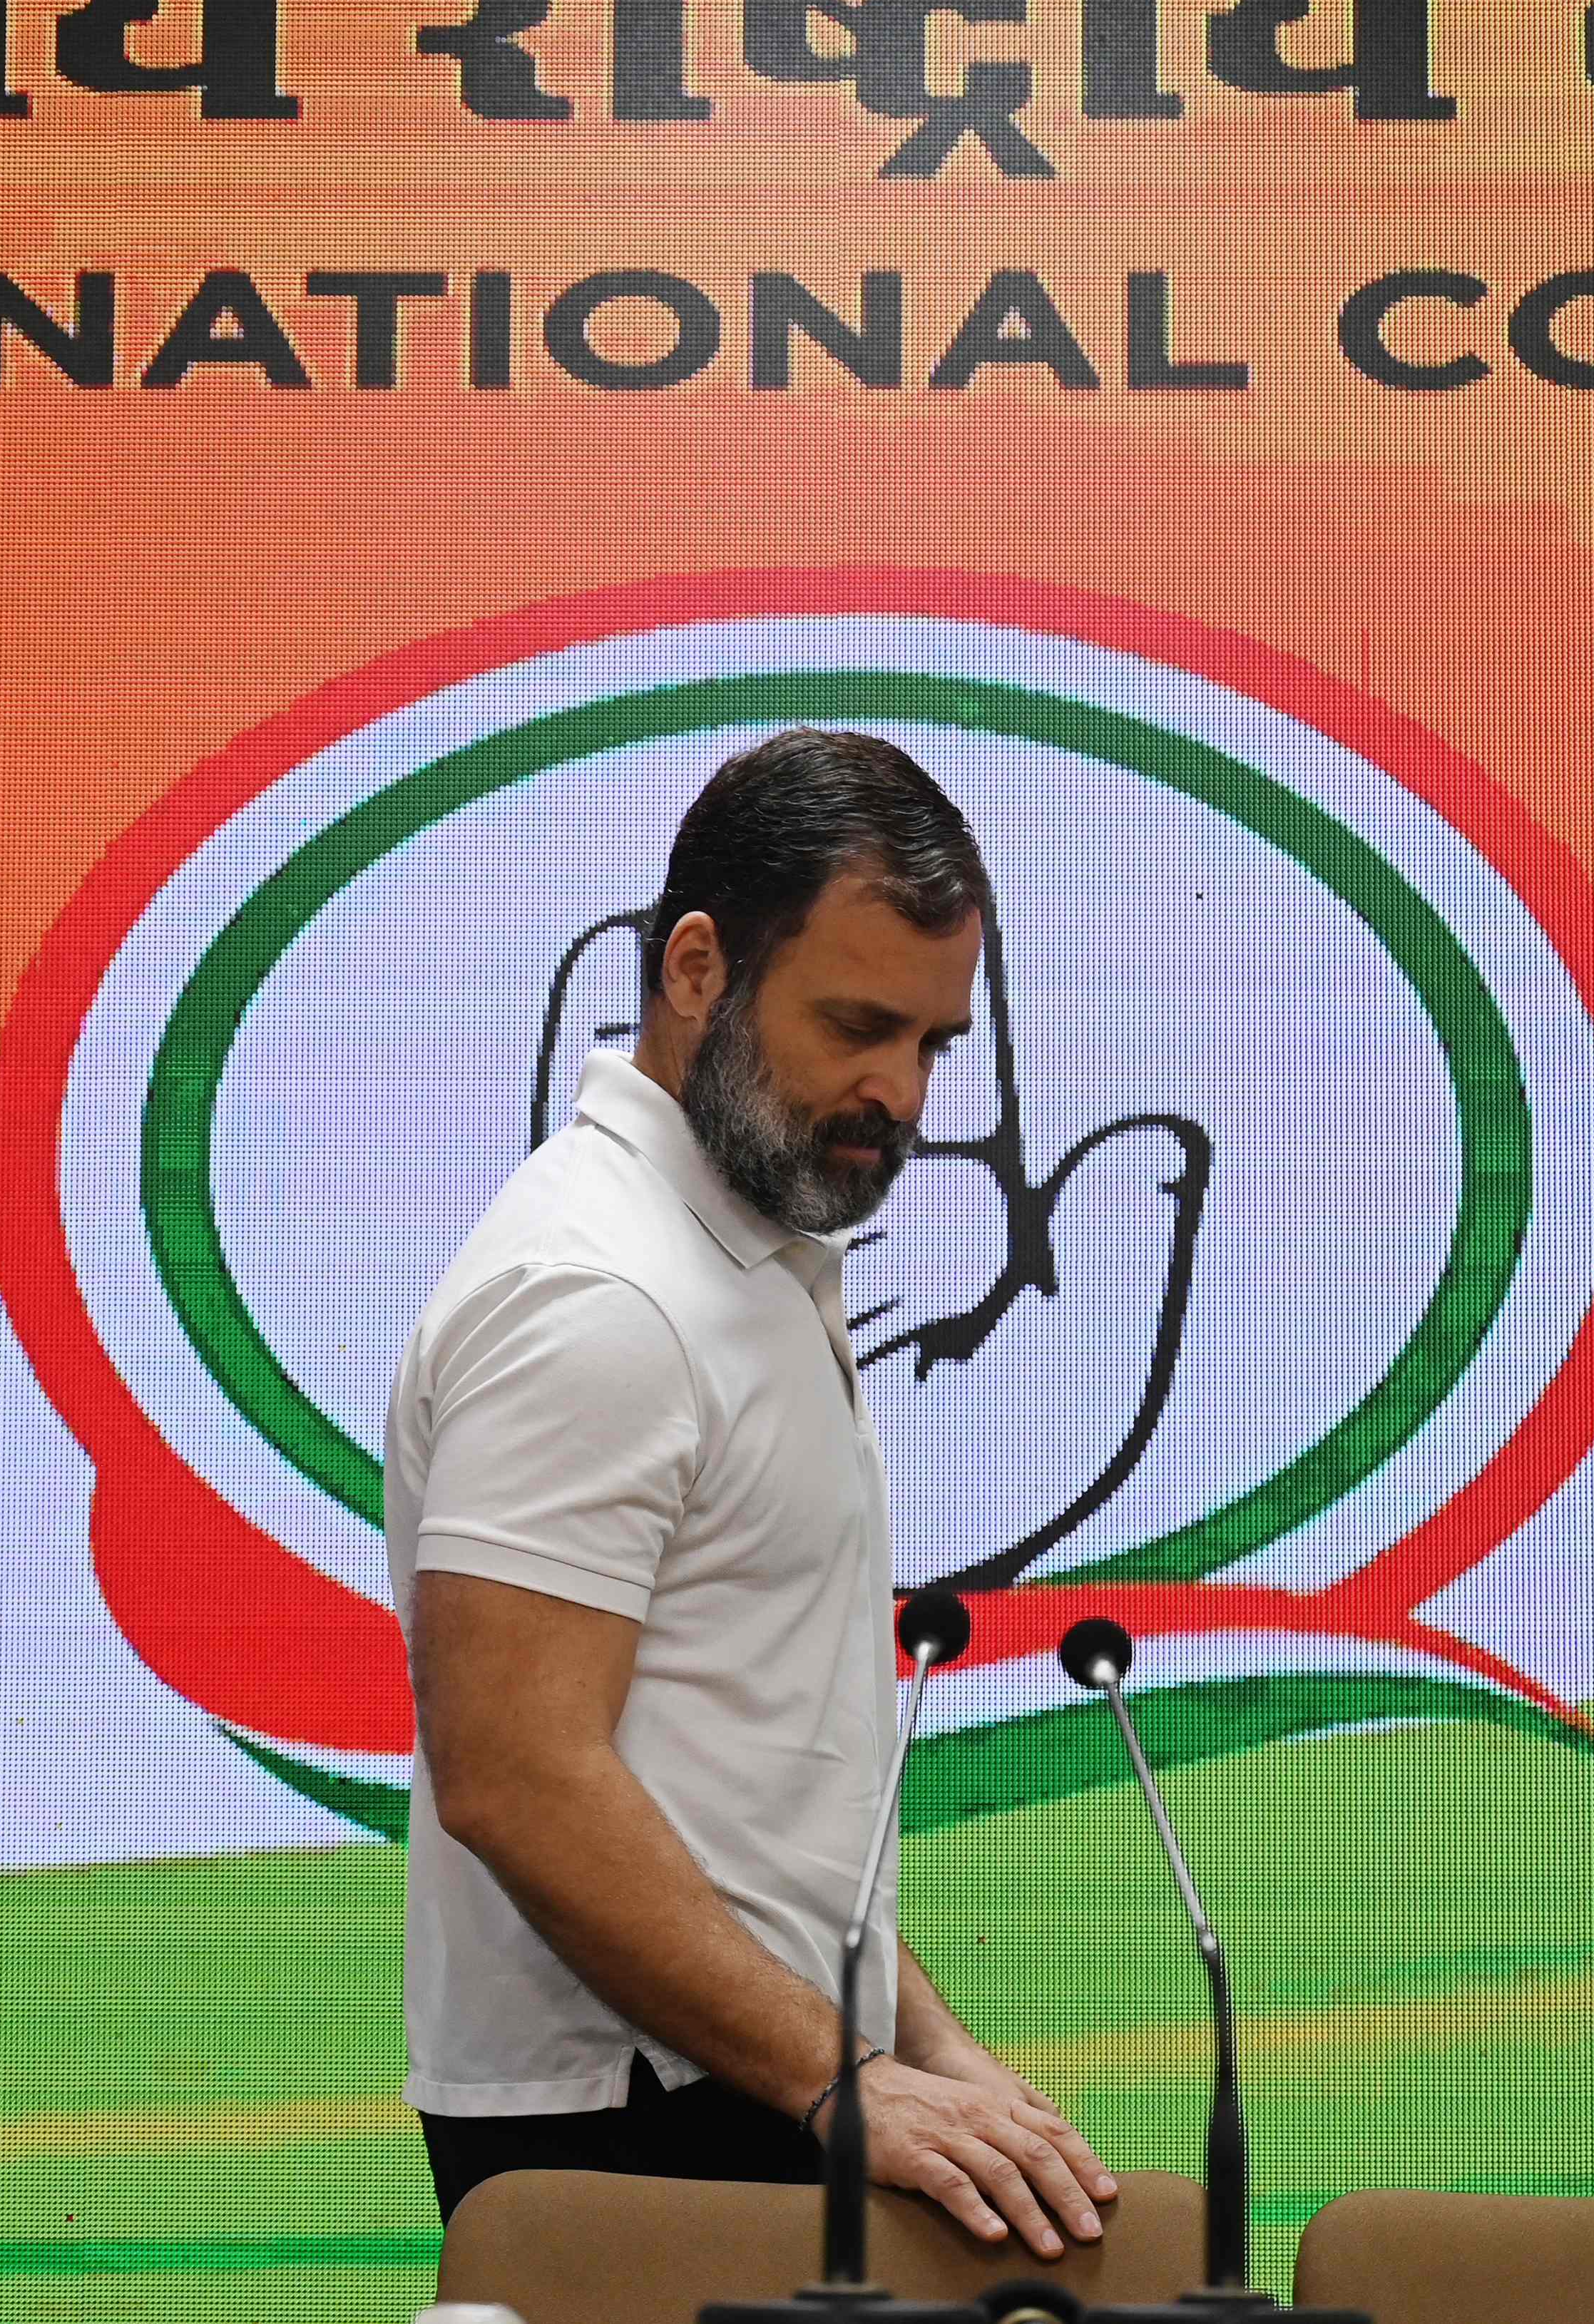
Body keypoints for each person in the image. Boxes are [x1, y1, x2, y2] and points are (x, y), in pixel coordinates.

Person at [390, 725, 1119, 2261]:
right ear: (699, 969)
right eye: (856, 1025)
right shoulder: (598, 1296)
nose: (899, 1094)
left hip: (747, 2087)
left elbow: (747, 1811)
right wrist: (839, 2079)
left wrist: (921, 2045)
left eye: (931, 1045)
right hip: (636, 2124)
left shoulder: (746, 1251)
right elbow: (516, 1777)